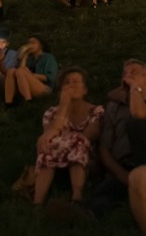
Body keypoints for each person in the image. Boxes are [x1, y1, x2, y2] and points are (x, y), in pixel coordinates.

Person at [90, 59, 146, 217]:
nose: (127, 77)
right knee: (104, 191)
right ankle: (90, 214)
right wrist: (122, 175)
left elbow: (139, 114)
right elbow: (104, 149)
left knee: (135, 124)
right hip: (125, 166)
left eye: (133, 73)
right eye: (125, 74)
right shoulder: (113, 108)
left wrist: (135, 88)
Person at [33, 68, 103, 205]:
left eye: (75, 82)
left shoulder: (96, 111)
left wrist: (62, 139)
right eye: (67, 82)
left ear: (84, 90)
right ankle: (37, 203)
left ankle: (77, 198)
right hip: (55, 158)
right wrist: (64, 106)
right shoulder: (51, 113)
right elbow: (48, 137)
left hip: (86, 159)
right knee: (47, 145)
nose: (71, 85)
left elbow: (88, 137)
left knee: (78, 140)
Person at [5, 36, 58, 104]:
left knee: (21, 71)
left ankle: (28, 101)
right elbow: (20, 72)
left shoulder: (48, 57)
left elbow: (49, 77)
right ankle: (8, 102)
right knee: (11, 71)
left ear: (40, 45)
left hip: (44, 87)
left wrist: (29, 75)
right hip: (26, 84)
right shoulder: (30, 59)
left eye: (33, 43)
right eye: (29, 43)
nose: (30, 45)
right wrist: (25, 55)